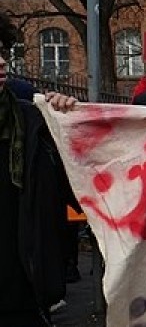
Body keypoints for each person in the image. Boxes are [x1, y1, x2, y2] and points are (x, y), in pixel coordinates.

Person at [3, 56, 77, 326]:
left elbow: (83, 194)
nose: (1, 62)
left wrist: (70, 126)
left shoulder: (36, 122)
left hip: (25, 299)